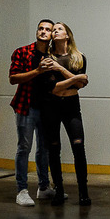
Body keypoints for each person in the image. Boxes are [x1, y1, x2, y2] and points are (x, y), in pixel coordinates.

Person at [39, 21, 91, 206]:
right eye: (53, 30)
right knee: (54, 148)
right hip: (52, 106)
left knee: (78, 146)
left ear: (67, 35)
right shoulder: (47, 58)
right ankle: (59, 190)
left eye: (59, 29)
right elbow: (54, 88)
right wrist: (76, 77)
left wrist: (61, 70)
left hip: (71, 106)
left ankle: (83, 192)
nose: (55, 32)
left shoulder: (78, 57)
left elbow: (80, 86)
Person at [7, 19, 56, 207]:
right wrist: (37, 70)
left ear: (52, 34)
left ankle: (44, 187)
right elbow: (13, 78)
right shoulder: (22, 52)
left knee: (44, 149)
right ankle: (22, 190)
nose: (43, 32)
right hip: (26, 106)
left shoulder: (53, 55)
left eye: (48, 30)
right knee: (24, 148)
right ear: (37, 31)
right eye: (41, 28)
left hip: (46, 108)